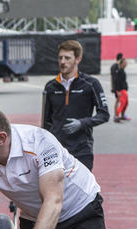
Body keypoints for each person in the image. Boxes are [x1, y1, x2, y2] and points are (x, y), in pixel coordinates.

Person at [43, 40, 110, 171]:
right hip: (57, 150)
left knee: (84, 191)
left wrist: (81, 123)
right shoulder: (50, 87)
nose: (62, 61)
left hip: (82, 150)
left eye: (67, 58)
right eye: (60, 57)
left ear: (77, 59)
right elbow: (46, 122)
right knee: (57, 190)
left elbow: (104, 114)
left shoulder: (91, 84)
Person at [113, 58, 129, 122]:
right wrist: (118, 91)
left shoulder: (122, 71)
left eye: (126, 62)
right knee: (122, 103)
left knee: (126, 103)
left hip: (123, 89)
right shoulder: (119, 72)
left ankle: (122, 115)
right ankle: (116, 116)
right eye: (124, 63)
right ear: (121, 64)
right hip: (121, 90)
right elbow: (117, 81)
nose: (126, 64)